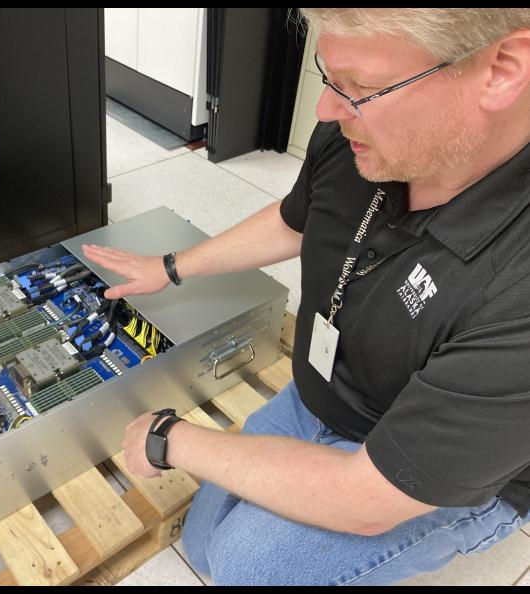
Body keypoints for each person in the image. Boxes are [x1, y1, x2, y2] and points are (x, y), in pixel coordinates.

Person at [82, 8, 530, 585]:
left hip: (440, 472)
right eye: (329, 77)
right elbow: (300, 217)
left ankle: (484, 523)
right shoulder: (358, 137)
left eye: (361, 88)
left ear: (501, 70)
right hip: (329, 393)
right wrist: (170, 268)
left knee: (251, 567)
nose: (326, 110)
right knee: (204, 541)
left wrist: (172, 439)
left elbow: (367, 501)